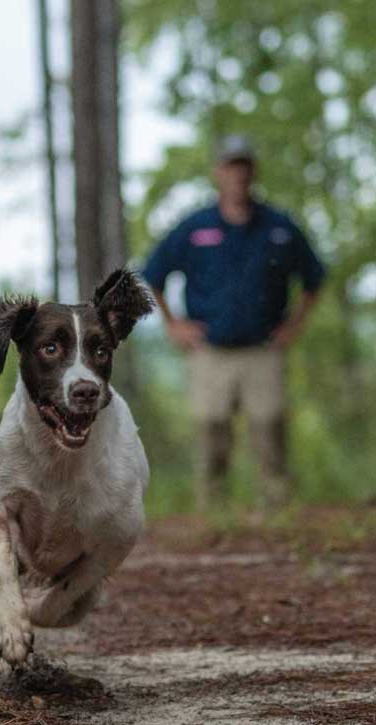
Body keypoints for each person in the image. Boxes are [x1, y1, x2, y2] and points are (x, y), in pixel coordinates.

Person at [142, 134, 326, 510]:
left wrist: (295, 325)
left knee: (270, 430)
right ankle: (214, 516)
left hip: (263, 348)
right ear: (218, 173)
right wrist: (173, 324)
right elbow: (153, 274)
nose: (237, 175)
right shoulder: (195, 227)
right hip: (211, 351)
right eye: (230, 167)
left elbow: (314, 277)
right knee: (211, 434)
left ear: (253, 172)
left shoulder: (278, 226)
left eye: (244, 166)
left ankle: (277, 514)